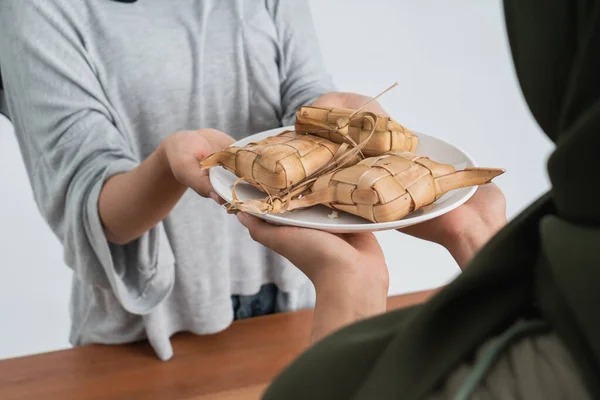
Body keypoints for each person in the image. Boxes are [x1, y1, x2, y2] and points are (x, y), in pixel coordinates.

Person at [237, 0, 600, 398]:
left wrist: (350, 281)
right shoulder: (559, 264)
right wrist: (478, 235)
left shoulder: (510, 373)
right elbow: (301, 98)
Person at [0, 0, 390, 361]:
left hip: (294, 300)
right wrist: (167, 166)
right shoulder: (37, 10)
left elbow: (302, 95)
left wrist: (326, 116)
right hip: (147, 330)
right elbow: (92, 207)